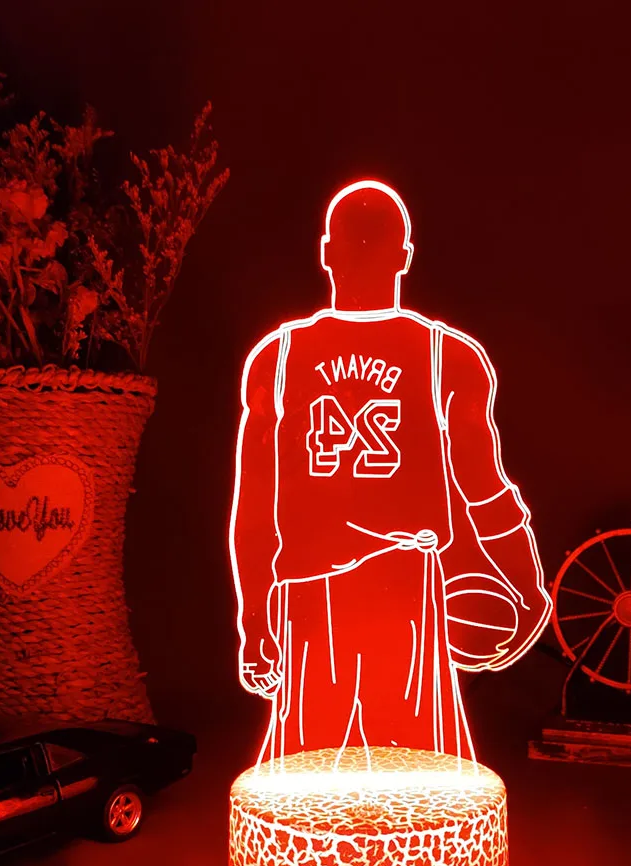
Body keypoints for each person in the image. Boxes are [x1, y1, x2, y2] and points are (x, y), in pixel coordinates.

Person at [229, 180, 550, 763]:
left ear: (326, 252)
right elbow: (488, 495)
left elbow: (253, 510)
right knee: (419, 783)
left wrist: (254, 618)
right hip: (406, 596)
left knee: (307, 784)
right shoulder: (448, 356)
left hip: (309, 599)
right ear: (405, 255)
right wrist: (529, 590)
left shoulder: (276, 359)